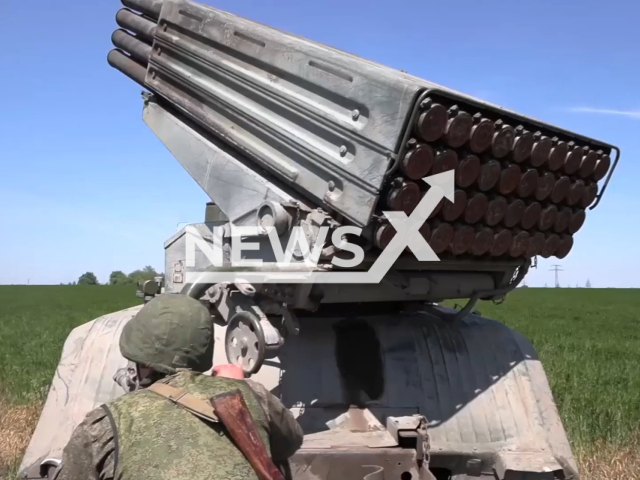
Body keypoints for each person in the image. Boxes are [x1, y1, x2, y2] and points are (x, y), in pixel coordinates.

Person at [56, 294, 304, 480]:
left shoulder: (104, 425)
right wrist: (242, 390)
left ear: (139, 357)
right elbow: (290, 443)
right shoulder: (251, 395)